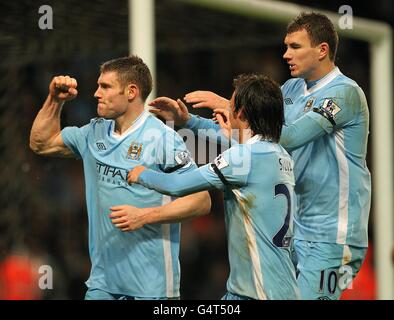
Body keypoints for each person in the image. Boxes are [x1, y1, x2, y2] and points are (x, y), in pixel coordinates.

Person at [151, 12, 372, 300]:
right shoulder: (291, 88)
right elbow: (254, 134)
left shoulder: (345, 94)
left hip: (332, 235)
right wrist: (189, 121)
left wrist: (228, 104)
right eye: (286, 46)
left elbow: (288, 135)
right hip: (293, 230)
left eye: (295, 46)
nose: (286, 54)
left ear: (322, 50)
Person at [29, 55, 211, 300]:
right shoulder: (94, 132)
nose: (96, 93)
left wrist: (144, 216)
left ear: (131, 91)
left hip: (151, 287)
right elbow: (41, 143)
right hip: (102, 284)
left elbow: (201, 200)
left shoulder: (162, 139)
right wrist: (54, 101)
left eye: (105, 86)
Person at [128, 74, 300, 300]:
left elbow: (178, 185)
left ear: (240, 113)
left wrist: (142, 174)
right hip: (278, 287)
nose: (227, 112)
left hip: (259, 293)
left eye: (230, 105)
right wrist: (188, 121)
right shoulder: (280, 155)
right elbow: (246, 157)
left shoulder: (243, 157)